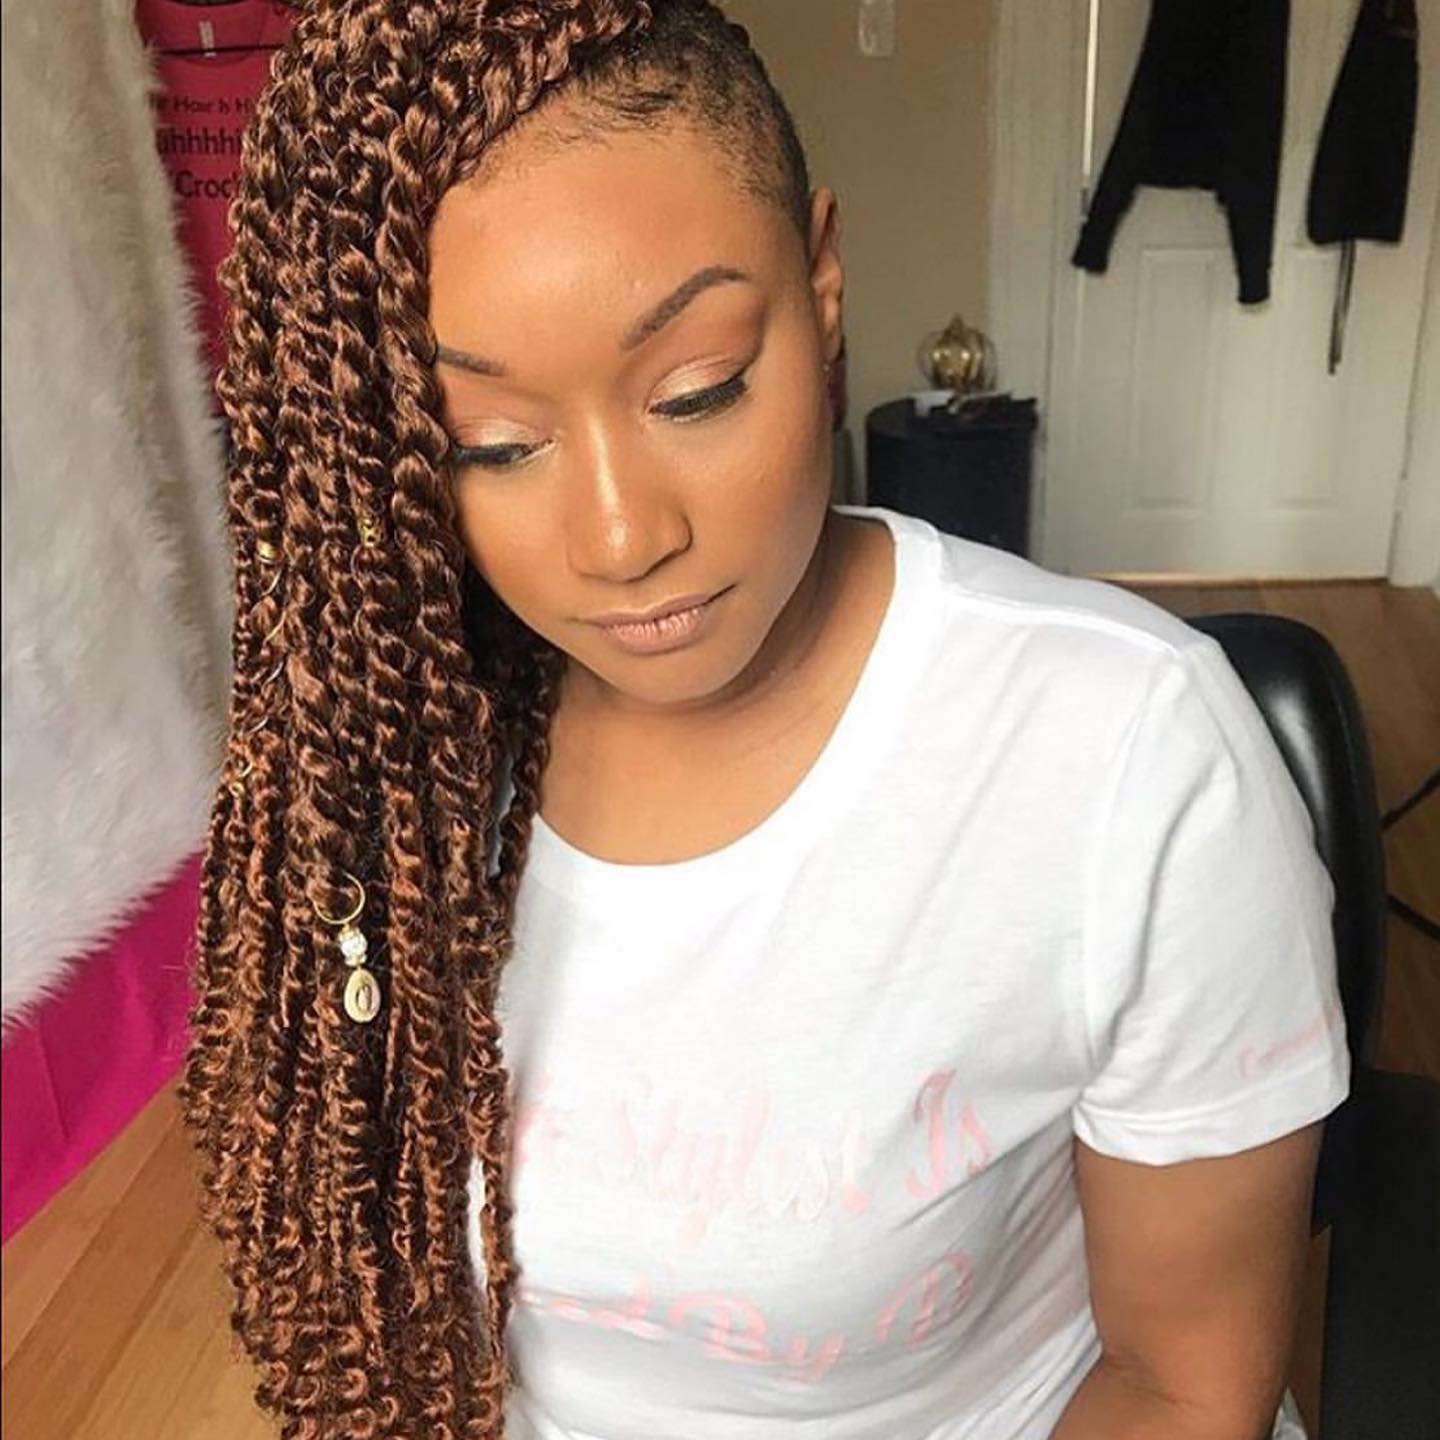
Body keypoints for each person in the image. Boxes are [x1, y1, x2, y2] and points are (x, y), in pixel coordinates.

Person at [178, 2, 1350, 1437]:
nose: (623, 539)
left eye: (699, 390)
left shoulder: (1127, 757)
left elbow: (1181, 1384)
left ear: (824, 280)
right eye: (494, 445)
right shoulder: (391, 752)